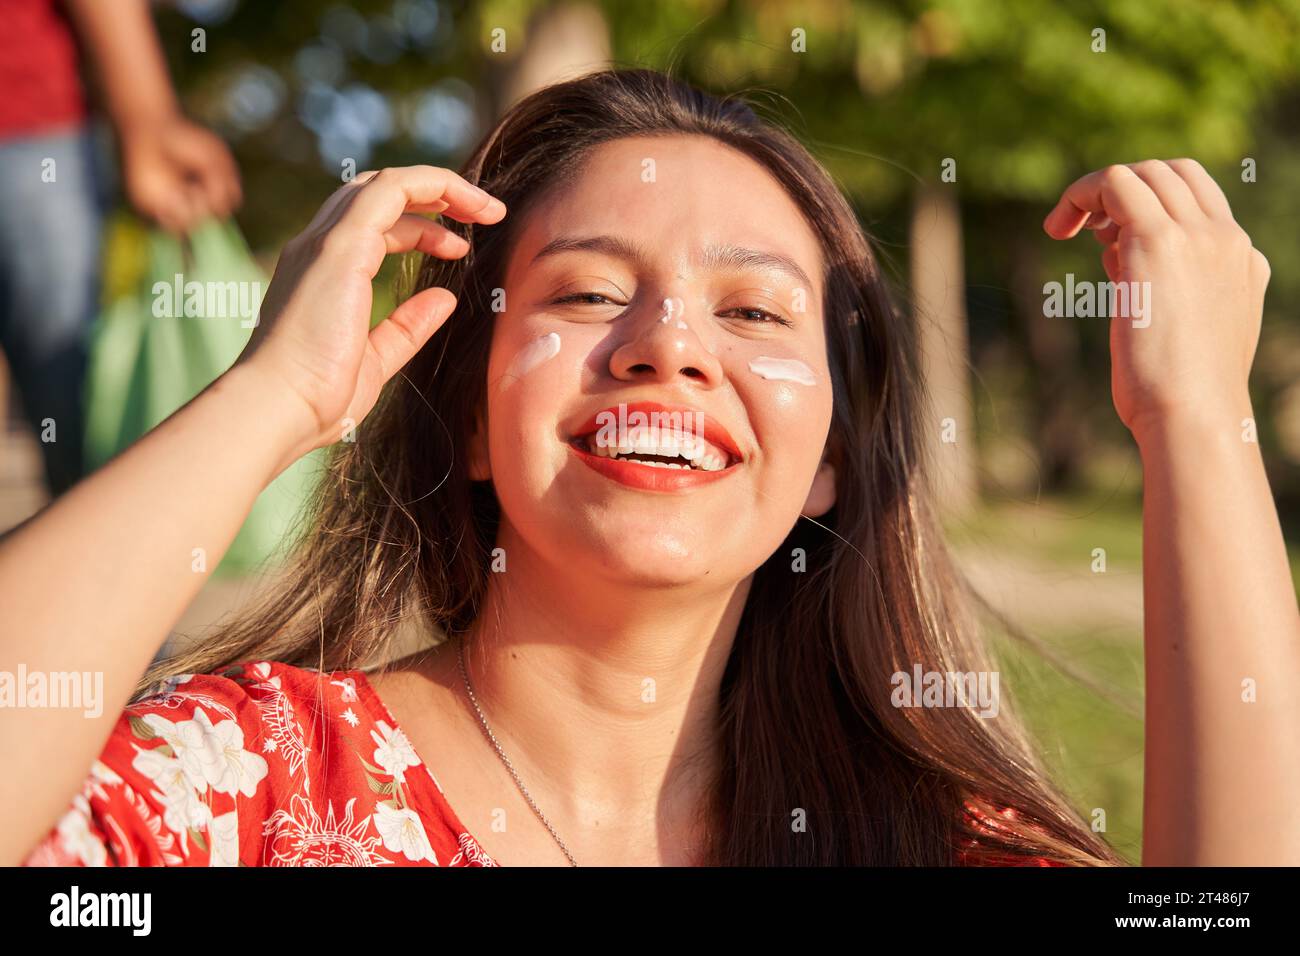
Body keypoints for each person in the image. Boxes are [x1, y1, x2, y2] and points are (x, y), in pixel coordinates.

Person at [4, 69, 1297, 867]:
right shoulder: (246, 781)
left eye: (752, 314)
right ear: (463, 416)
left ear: (830, 465)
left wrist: (1198, 422)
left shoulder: (928, 847)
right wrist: (275, 395)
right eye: (586, 294)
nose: (665, 348)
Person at [0, 0, 240, 496]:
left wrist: (146, 120)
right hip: (34, 144)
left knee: (65, 383)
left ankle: (83, 553)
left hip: (29, 126)